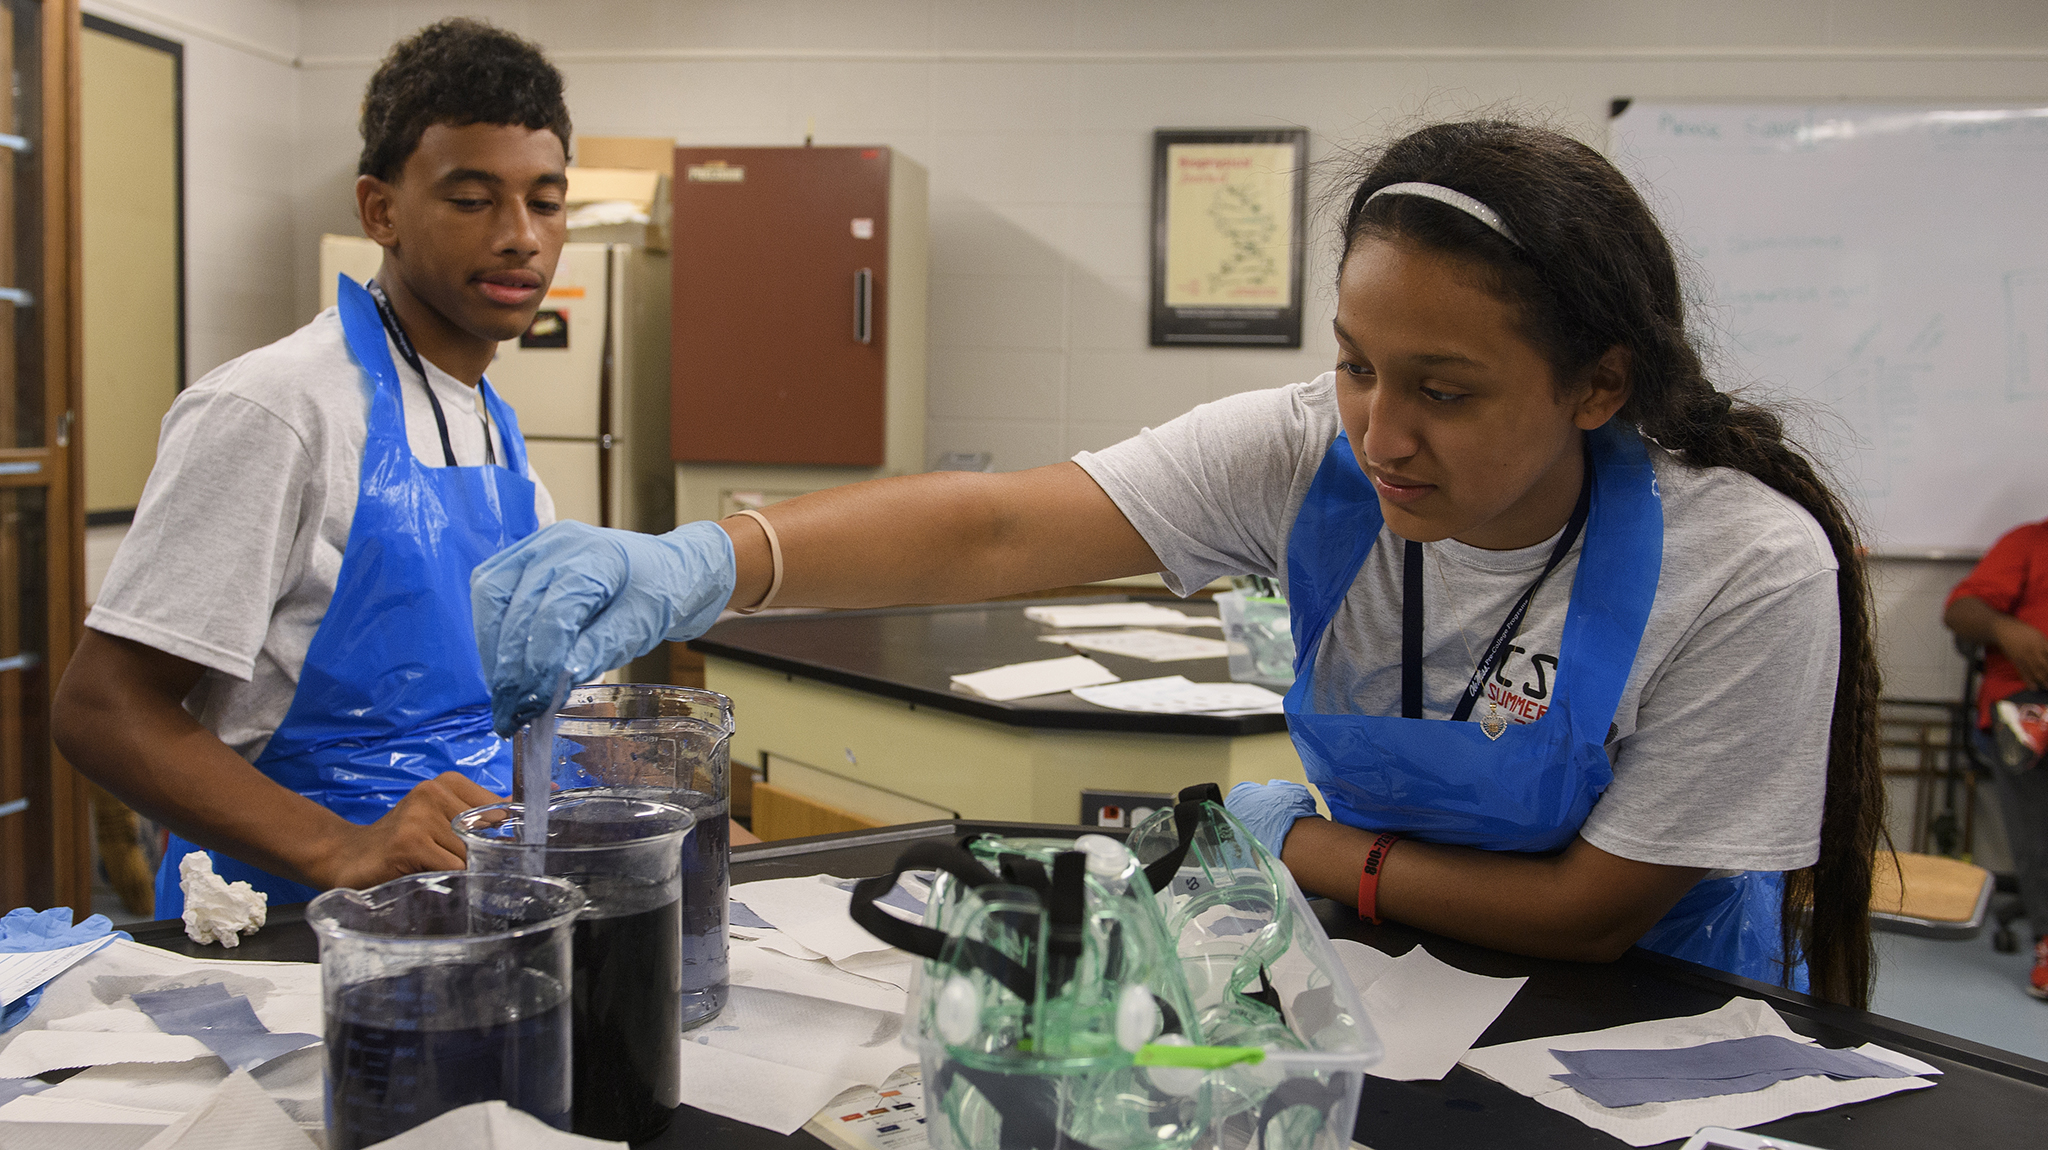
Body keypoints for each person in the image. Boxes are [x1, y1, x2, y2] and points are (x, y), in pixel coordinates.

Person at [473, 120, 1886, 1007]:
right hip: (1385, 994)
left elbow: (1594, 913)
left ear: (1598, 384)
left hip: (1645, 1019)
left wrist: (1299, 844)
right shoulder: (1303, 451)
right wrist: (713, 557)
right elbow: (1002, 525)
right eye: (1355, 364)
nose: (1381, 434)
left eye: (1444, 390)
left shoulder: (1743, 564)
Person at [52, 20, 576, 918]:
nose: (521, 236)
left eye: (547, 201)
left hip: (463, 909)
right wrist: (342, 847)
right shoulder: (280, 410)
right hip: (290, 930)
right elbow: (103, 708)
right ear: (380, 212)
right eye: (472, 199)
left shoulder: (497, 429)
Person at [1943, 522, 2048, 999]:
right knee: (2032, 759)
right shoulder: (2029, 543)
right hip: (2029, 705)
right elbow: (1961, 609)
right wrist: (2006, 629)